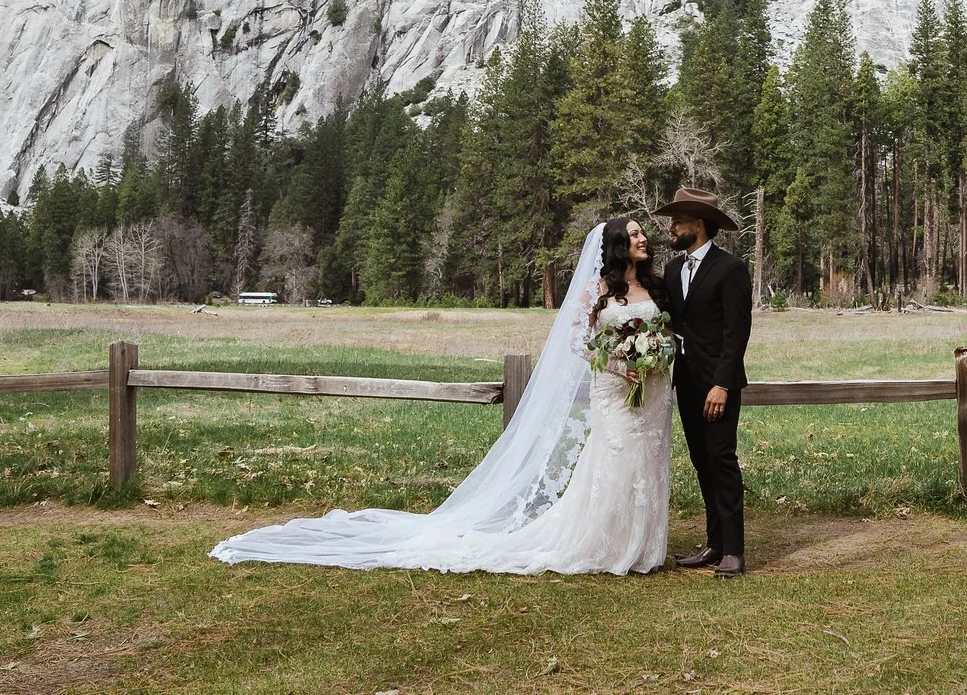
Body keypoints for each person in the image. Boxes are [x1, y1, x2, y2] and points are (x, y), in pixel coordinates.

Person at [209, 216, 672, 575]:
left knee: (648, 458)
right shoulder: (598, 290)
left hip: (651, 392)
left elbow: (666, 331)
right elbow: (578, 342)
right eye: (634, 235)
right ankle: (608, 545)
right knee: (614, 460)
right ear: (616, 245)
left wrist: (655, 354)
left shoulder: (652, 286)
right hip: (614, 388)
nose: (643, 239)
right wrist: (619, 362)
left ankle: (644, 547)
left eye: (642, 234)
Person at [656, 185, 752, 575]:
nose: (670, 228)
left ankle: (734, 549)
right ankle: (714, 544)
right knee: (700, 462)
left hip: (718, 386)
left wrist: (722, 384)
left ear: (697, 224)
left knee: (721, 460)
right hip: (686, 383)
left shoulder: (730, 269)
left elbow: (736, 333)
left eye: (676, 221)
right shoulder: (673, 269)